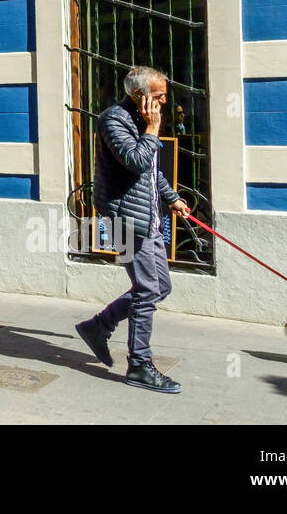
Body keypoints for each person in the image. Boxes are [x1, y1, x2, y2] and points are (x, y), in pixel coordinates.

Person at [76, 66, 190, 393]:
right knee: (147, 289)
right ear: (140, 95)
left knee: (159, 287)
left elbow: (151, 171)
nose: (165, 101)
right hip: (124, 218)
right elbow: (136, 160)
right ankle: (139, 364)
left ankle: (98, 325)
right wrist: (153, 128)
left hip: (148, 217)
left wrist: (172, 198)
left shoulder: (142, 120)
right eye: (159, 95)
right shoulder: (114, 119)